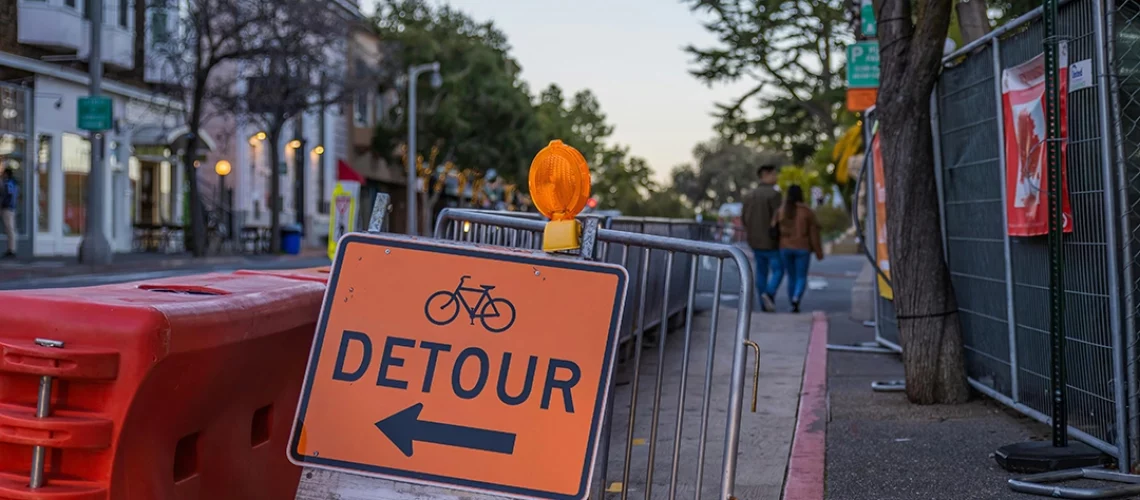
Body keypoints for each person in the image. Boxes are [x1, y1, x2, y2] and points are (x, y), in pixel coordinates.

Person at [775, 184, 823, 313]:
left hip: (785, 247)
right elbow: (814, 233)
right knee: (801, 276)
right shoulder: (806, 211)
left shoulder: (782, 210)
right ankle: (796, 298)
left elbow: (773, 228)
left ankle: (792, 301)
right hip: (802, 247)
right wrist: (818, 251)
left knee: (791, 276)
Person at [742, 164, 783, 312]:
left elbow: (744, 218)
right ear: (765, 175)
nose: (776, 177)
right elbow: (779, 216)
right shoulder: (774, 194)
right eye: (774, 174)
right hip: (771, 240)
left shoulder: (749, 195)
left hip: (754, 240)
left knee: (761, 272)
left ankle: (763, 303)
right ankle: (769, 294)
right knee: (778, 270)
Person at [0, 168, 17, 258]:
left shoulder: (8, 184)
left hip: (7, 208)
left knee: (9, 229)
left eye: (4, 173)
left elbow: (8, 195)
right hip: (10, 208)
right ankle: (11, 249)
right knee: (10, 229)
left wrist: (3, 204)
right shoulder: (13, 183)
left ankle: (11, 250)